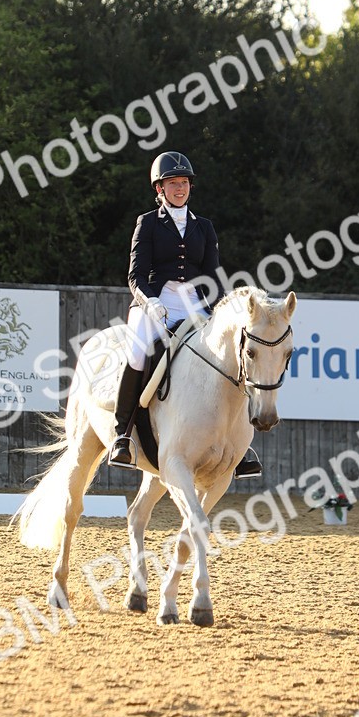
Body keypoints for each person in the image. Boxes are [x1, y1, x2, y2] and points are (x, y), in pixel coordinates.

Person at [108, 151, 262, 478]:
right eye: (172, 183)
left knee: (230, 356)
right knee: (137, 355)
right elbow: (136, 275)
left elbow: (214, 276)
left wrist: (219, 311)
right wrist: (150, 302)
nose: (179, 188)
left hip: (195, 302)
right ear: (159, 189)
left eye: (183, 183)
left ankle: (241, 443)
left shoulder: (204, 227)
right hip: (155, 300)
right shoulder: (147, 223)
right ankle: (123, 434)